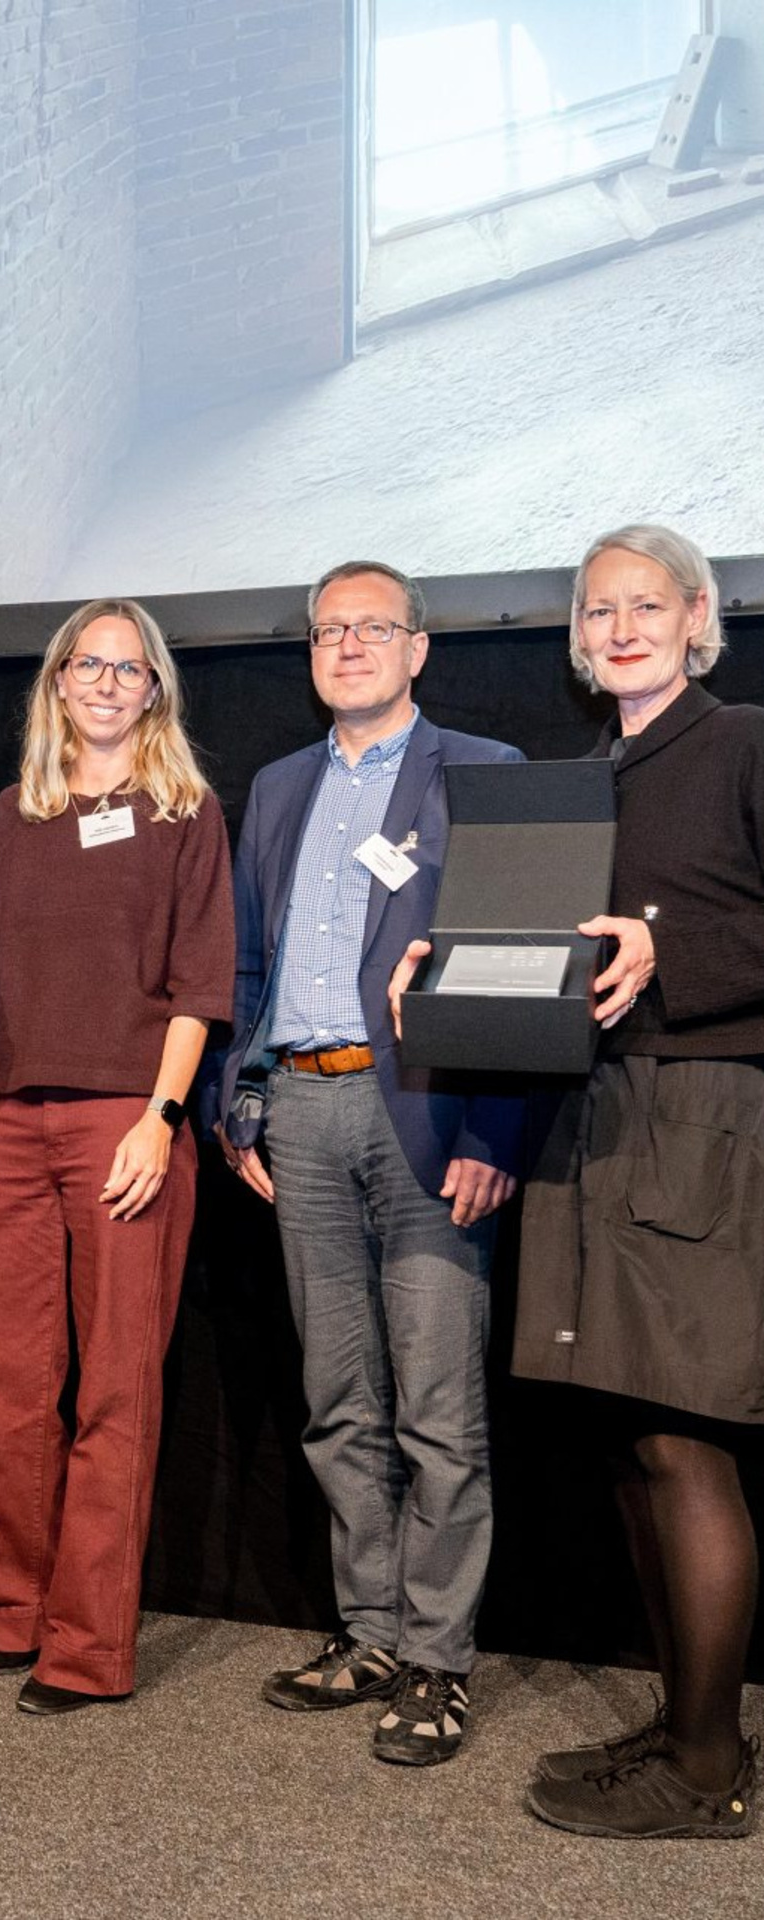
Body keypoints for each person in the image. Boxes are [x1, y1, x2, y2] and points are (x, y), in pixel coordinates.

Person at [215, 559, 522, 1766]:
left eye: (371, 627)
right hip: (302, 1111)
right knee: (339, 1405)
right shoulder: (281, 784)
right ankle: (374, 1635)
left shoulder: (482, 774)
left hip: (434, 1124)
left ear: (419, 649)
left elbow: (513, 963)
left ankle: (441, 1666)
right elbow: (246, 965)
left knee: (440, 1414)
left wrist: (497, 1131)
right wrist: (238, 1106)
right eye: (328, 630)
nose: (347, 645)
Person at [476, 525, 758, 1838]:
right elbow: (531, 959)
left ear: (698, 618)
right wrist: (452, 979)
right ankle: (686, 1723)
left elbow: (698, 937)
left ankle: (708, 1772)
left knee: (680, 1436)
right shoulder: (576, 783)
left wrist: (667, 946)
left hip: (701, 1116)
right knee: (629, 1439)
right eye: (599, 611)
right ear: (580, 640)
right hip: (588, 1116)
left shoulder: (745, 743)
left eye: (648, 605)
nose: (623, 627)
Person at [0, 599, 231, 1714]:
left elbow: (203, 983)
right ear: (56, 683)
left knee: (115, 1393)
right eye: (88, 664)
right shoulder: (13, 815)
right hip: (5, 1129)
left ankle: (85, 1650)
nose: (108, 682)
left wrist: (160, 1120)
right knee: (4, 1388)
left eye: (130, 667)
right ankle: (8, 1612)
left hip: (127, 1127)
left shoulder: (187, 812)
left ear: (154, 690)